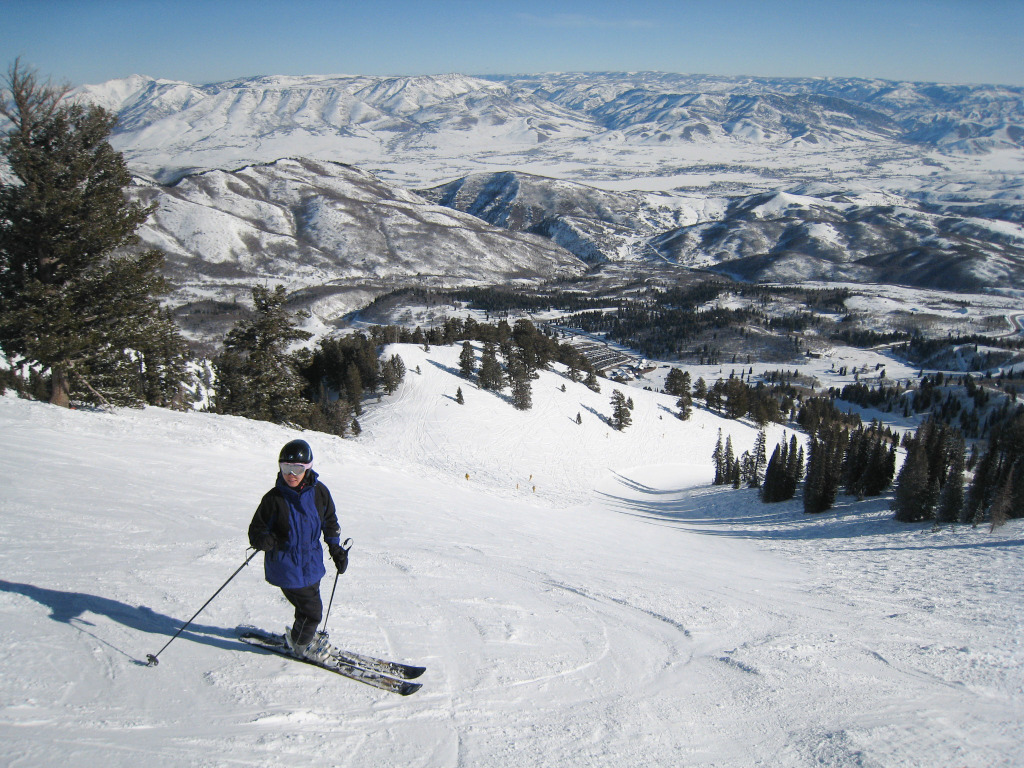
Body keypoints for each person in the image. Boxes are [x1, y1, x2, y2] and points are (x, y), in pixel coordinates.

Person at [248, 439, 349, 661]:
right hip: (286, 566)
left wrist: (335, 548)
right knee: (312, 612)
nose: (291, 474)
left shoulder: (319, 493)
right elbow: (256, 531)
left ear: (308, 469)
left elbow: (329, 521)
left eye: (297, 469)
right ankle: (301, 646)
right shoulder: (274, 499)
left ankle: (300, 635)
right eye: (285, 468)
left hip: (311, 565)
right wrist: (265, 541)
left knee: (306, 608)